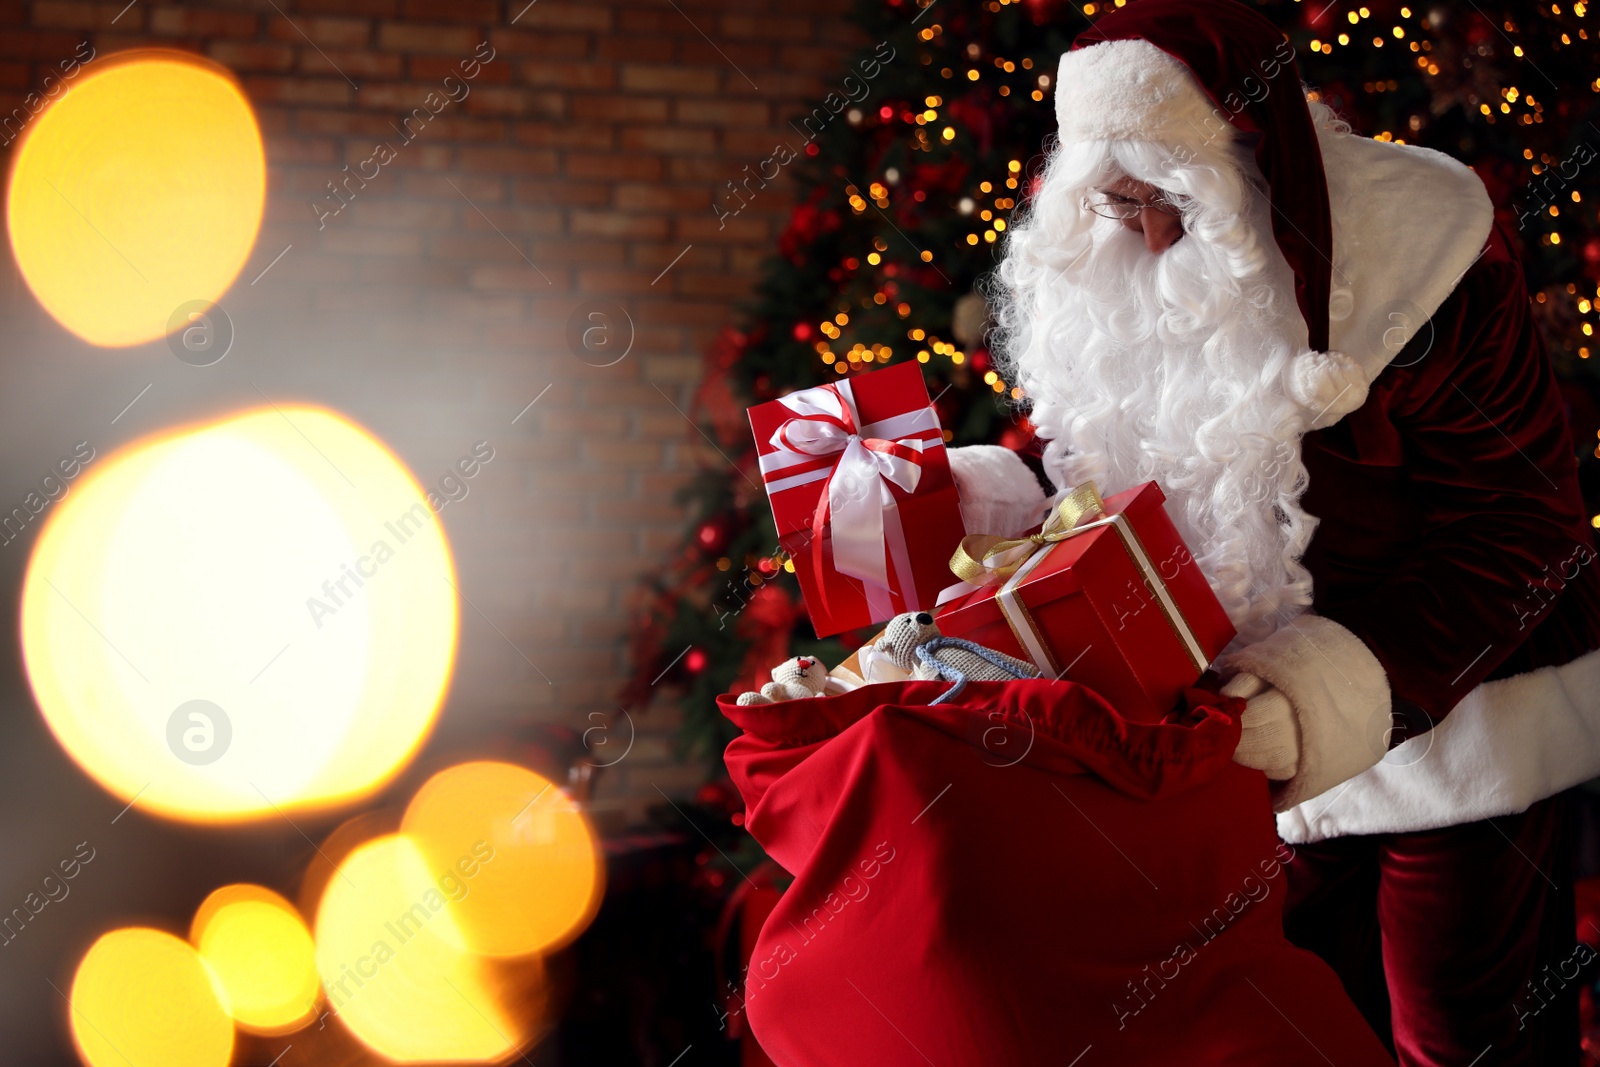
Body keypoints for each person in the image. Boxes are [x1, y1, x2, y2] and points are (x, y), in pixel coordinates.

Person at [947, 0, 1600, 1062]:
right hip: (1248, 757)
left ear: (1247, 164)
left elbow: (1525, 530)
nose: (1150, 235)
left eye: (1171, 201)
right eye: (1119, 206)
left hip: (1457, 729)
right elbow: (1087, 474)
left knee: (1453, 1034)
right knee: (1283, 1032)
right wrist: (978, 498)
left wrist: (1330, 693)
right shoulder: (1118, 271)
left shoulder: (1422, 263)